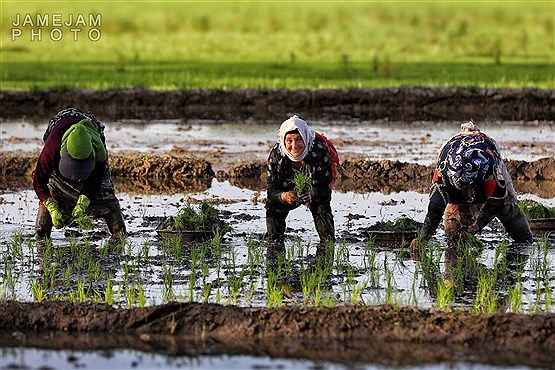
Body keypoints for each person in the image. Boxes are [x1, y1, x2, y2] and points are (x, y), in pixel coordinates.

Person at [410, 121, 533, 254]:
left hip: (487, 149)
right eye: (461, 189)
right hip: (452, 152)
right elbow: (434, 212)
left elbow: (496, 202)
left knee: (514, 220)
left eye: (467, 188)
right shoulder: (443, 176)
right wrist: (422, 238)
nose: (466, 193)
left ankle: (521, 251)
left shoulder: (489, 170)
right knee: (454, 241)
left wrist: (477, 226)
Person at [33, 108, 126, 243]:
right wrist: (51, 206)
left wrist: (83, 203)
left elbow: (95, 181)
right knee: (53, 190)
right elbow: (39, 181)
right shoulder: (52, 147)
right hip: (61, 125)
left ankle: (118, 232)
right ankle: (42, 231)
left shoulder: (99, 152)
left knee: (105, 195)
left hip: (90, 131)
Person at [266, 115, 337, 261]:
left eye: (298, 140)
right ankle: (275, 255)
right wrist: (284, 196)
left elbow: (325, 189)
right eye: (289, 141)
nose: (294, 146)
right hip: (286, 190)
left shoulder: (318, 150)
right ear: (283, 141)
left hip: (314, 188)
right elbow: (271, 192)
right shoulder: (277, 156)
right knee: (274, 224)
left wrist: (312, 194)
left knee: (327, 236)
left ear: (305, 138)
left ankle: (325, 263)